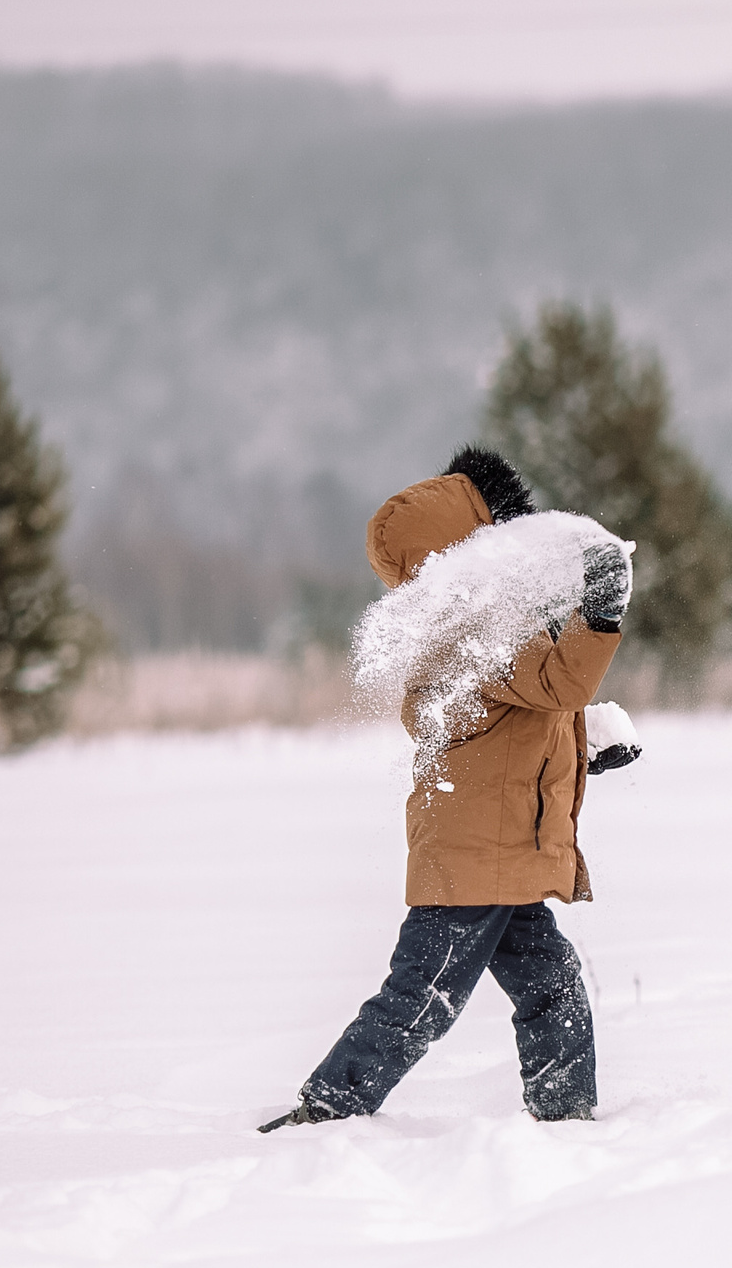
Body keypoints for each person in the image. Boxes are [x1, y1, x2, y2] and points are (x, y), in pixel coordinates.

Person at [260, 447, 633, 1128]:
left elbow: (531, 722)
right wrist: (600, 617)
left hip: (496, 854)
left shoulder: (487, 633)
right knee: (423, 996)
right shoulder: (470, 636)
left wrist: (592, 749)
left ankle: (566, 1117)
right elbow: (560, 681)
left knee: (552, 986)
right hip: (474, 860)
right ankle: (331, 1107)